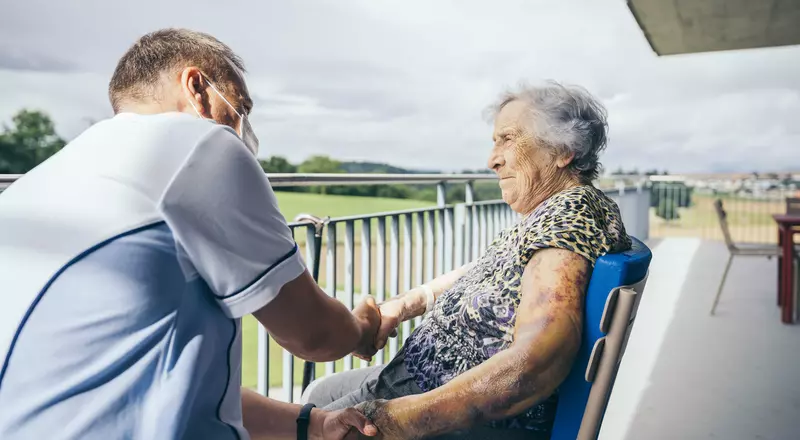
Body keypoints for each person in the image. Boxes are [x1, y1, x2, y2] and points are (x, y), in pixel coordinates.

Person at [0, 28, 394, 440]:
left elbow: (153, 389)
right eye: (241, 107)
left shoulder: (40, 182)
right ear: (197, 88)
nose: (244, 129)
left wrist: (312, 423)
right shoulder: (201, 145)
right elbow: (315, 335)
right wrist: (362, 328)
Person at [303, 82, 632, 439]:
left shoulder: (569, 214)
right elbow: (487, 271)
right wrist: (406, 304)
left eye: (508, 139)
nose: (492, 159)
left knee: (299, 426)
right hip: (420, 377)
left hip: (447, 409)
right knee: (319, 394)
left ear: (562, 150)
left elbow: (540, 358)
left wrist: (408, 419)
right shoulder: (555, 214)